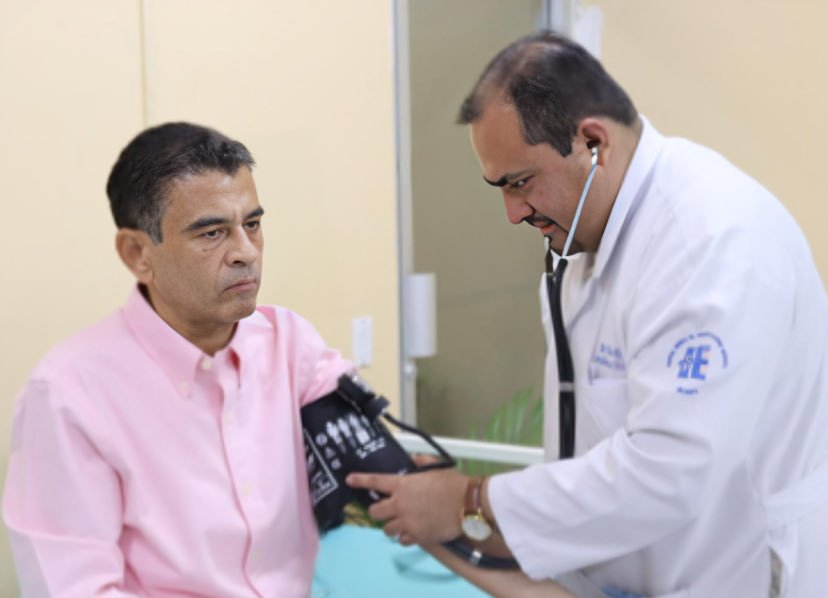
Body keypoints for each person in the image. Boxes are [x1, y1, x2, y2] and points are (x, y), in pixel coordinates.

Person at [347, 31, 828, 598]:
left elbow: (670, 471)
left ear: (593, 142)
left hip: (735, 574)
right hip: (621, 573)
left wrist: (468, 501)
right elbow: (592, 454)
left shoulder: (710, 240)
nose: (512, 212)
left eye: (520, 182)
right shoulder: (586, 245)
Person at [3, 123, 354, 596]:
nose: (246, 252)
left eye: (252, 224)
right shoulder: (68, 396)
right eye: (212, 233)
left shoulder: (288, 342)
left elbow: (374, 461)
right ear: (138, 253)